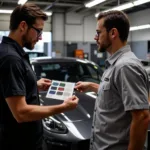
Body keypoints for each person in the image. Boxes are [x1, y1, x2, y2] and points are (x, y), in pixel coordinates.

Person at [0, 3, 79, 150]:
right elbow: (21, 112)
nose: (40, 38)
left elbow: (8, 89)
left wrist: (34, 85)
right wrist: (63, 107)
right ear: (23, 26)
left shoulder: (14, 53)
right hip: (19, 144)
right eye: (38, 31)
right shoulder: (11, 58)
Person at [75, 10, 150, 150]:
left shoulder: (125, 66)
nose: (95, 37)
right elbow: (116, 94)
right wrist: (91, 86)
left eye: (98, 32)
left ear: (113, 33)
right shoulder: (115, 63)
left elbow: (142, 117)